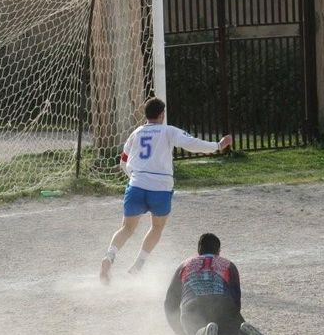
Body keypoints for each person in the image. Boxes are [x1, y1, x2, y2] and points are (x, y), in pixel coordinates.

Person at [99, 97, 232, 283]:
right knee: (157, 227)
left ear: (146, 115)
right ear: (162, 115)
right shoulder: (168, 131)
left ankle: (109, 258)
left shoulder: (136, 133)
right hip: (160, 189)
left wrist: (134, 178)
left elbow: (123, 161)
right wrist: (217, 145)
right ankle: (137, 267)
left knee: (127, 228)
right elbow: (192, 143)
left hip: (136, 185)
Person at [163, 233, 269, 335]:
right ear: (218, 251)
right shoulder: (228, 265)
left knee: (196, 334)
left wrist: (180, 331)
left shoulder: (184, 265)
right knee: (233, 334)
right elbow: (236, 299)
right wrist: (235, 320)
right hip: (223, 305)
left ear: (198, 251)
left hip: (193, 307)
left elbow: (170, 302)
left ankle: (204, 333)